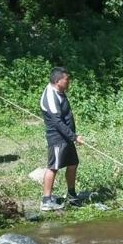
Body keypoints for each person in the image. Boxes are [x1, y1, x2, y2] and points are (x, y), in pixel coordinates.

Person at [40, 67, 84, 211]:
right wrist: (74, 137)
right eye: (67, 79)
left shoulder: (60, 92)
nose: (69, 82)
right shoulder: (50, 97)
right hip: (57, 138)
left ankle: (71, 195)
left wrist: (72, 136)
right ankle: (46, 200)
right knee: (53, 167)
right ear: (58, 81)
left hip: (67, 136)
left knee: (73, 164)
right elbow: (57, 122)